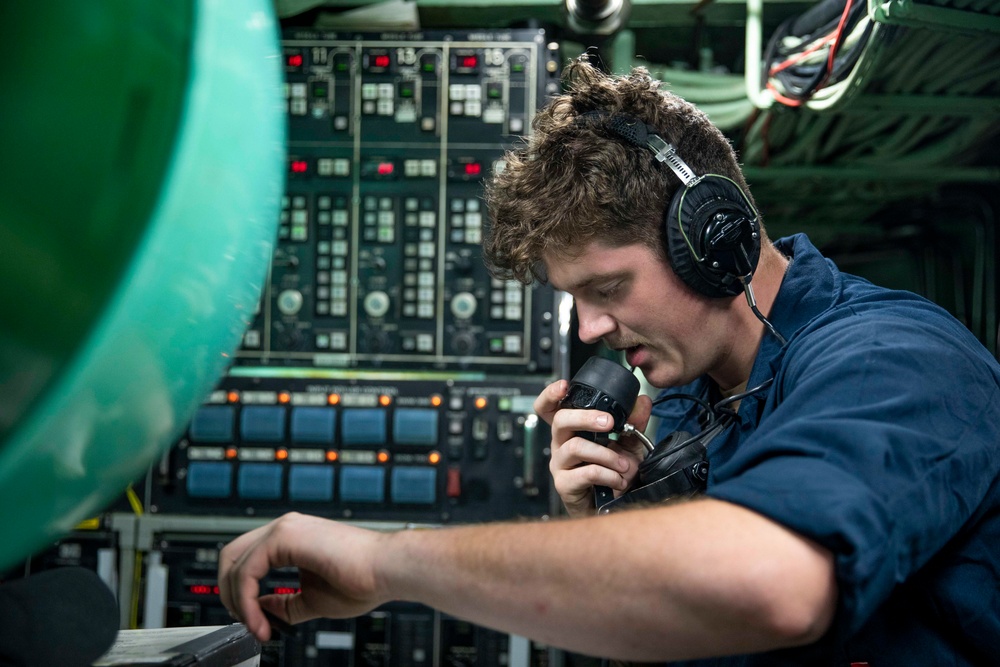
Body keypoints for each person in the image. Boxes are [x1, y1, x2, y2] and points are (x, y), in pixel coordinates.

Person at [218, 57, 1000, 664]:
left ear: (711, 238)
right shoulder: (692, 401)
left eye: (607, 286)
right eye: (574, 299)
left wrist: (384, 560)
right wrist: (596, 521)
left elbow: (771, 585)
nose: (591, 327)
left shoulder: (892, 359)